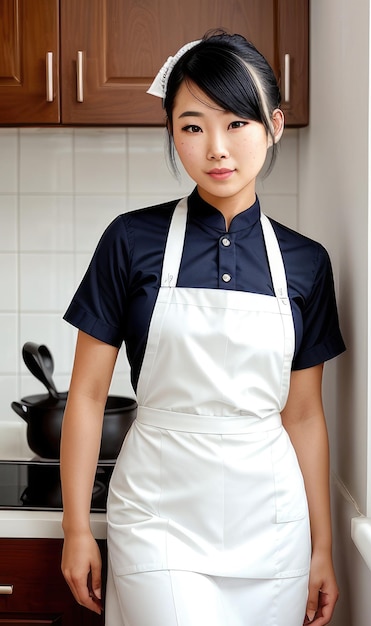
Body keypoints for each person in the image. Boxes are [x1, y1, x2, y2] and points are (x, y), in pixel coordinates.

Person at [60, 31, 345, 626]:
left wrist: (322, 546)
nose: (217, 148)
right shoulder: (128, 241)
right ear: (172, 133)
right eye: (192, 127)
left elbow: (303, 414)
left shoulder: (307, 262)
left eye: (237, 122)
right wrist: (76, 530)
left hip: (271, 526)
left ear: (274, 125)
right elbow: (86, 396)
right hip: (158, 518)